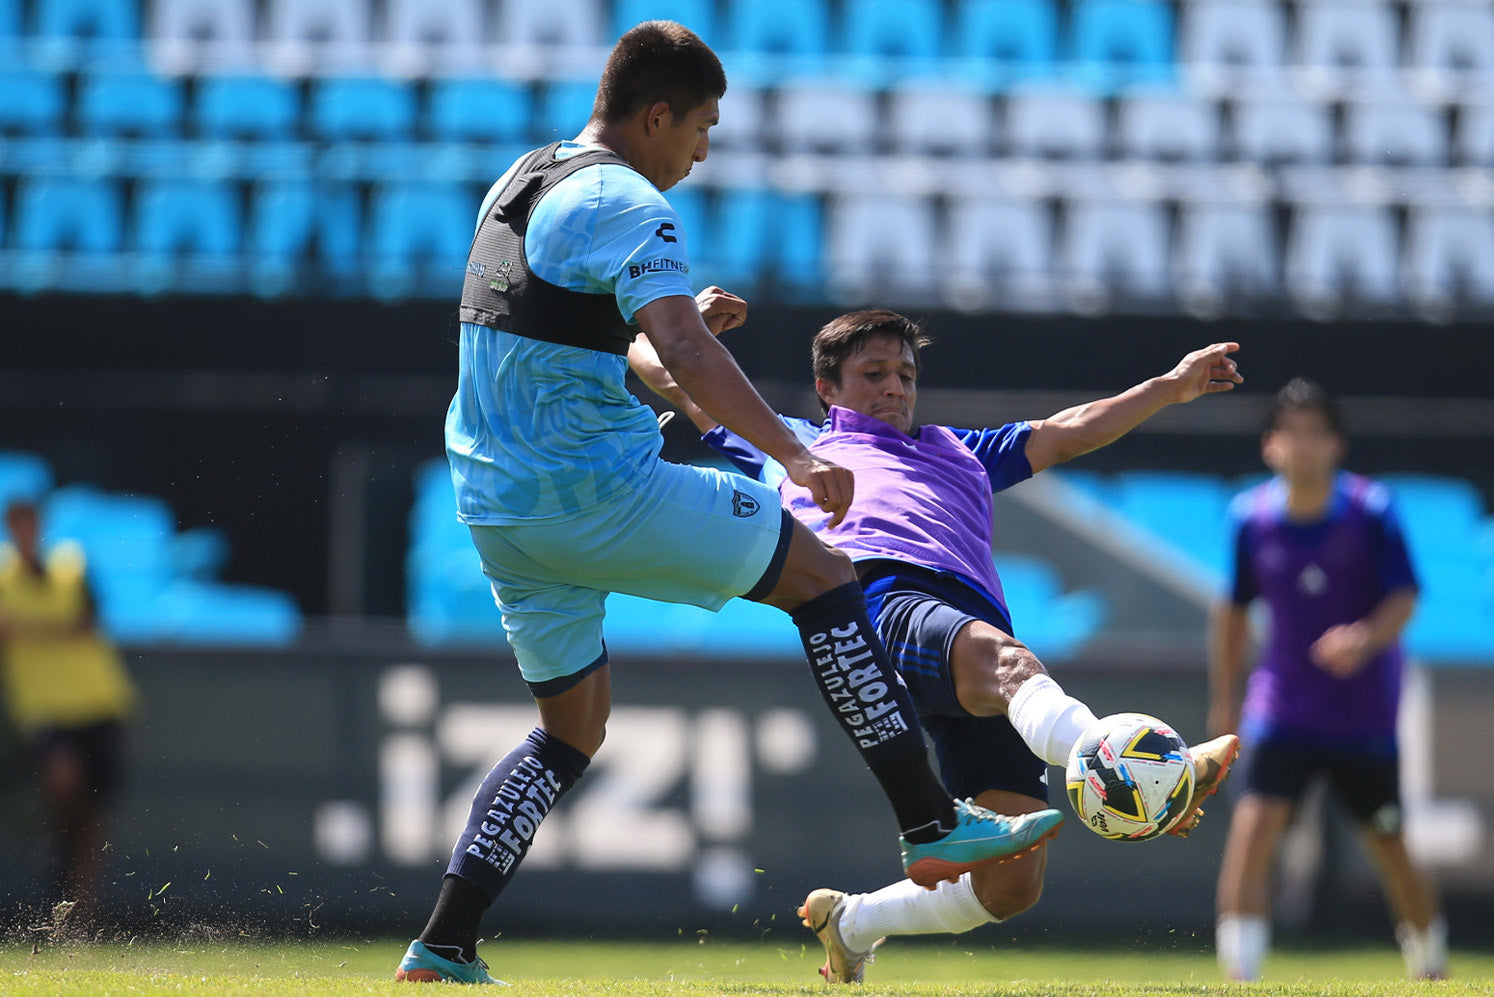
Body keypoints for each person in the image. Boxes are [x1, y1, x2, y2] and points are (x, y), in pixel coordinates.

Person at [394, 23, 1062, 985]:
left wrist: (676, 335)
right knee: (827, 578)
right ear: (656, 114)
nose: (702, 151)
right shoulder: (628, 199)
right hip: (597, 490)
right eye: (701, 127)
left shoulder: (525, 177)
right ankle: (931, 823)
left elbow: (602, 343)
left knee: (569, 732)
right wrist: (793, 452)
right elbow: (689, 359)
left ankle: (443, 943)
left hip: (498, 508)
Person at [631, 309, 1244, 984]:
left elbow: (1067, 433)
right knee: (1013, 665)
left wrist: (1171, 385)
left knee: (1013, 883)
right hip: (880, 603)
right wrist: (668, 327)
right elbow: (672, 375)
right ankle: (1145, 774)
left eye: (905, 374)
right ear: (827, 388)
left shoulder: (961, 450)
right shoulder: (793, 444)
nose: (894, 387)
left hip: (969, 626)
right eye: (873, 374)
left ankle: (853, 921)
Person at [1209, 378, 1447, 982]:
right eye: (1292, 433)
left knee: (1389, 841)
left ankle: (1431, 964)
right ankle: (1241, 974)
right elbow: (1232, 614)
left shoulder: (1372, 512)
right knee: (1254, 828)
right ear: (1271, 445)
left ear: (1336, 444)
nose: (1303, 445)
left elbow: (1405, 596)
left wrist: (1365, 638)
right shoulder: (1250, 519)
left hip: (1363, 715)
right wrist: (1224, 703)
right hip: (1282, 709)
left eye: (1316, 433)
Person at [0, 499, 137, 927]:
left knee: (94, 813)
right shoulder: (4, 577)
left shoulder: (70, 565)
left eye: (31, 522)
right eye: (16, 523)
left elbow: (89, 620)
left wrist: (30, 631)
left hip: (99, 701)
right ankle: (59, 870)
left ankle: (81, 911)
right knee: (63, 783)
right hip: (46, 708)